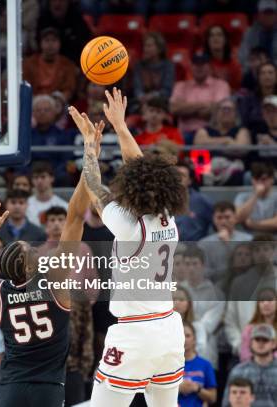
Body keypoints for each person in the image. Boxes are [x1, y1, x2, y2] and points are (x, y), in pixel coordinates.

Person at [0, 111, 98, 407]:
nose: (36, 247)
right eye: (31, 249)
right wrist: (90, 155)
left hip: (11, 387)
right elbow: (74, 218)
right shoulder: (55, 280)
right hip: (48, 389)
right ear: (32, 265)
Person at [73, 88, 188, 406]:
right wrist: (121, 127)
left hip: (135, 334)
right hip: (169, 330)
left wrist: (90, 149)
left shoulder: (128, 225)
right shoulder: (168, 218)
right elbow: (142, 171)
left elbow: (96, 191)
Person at [170, 53, 231, 142]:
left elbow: (217, 110)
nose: (199, 67)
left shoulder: (221, 85)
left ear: (209, 66)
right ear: (191, 66)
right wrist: (205, 105)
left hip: (212, 134)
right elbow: (174, 109)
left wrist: (185, 109)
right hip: (185, 134)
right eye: (196, 64)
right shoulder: (180, 85)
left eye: (203, 64)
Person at [222, 324, 277, 407]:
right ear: (251, 343)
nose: (260, 343)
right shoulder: (238, 371)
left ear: (273, 344)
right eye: (257, 339)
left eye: (265, 340)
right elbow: (227, 402)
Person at [198, 202, 253, 283]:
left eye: (227, 217)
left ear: (235, 218)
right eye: (219, 218)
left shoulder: (249, 240)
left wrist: (228, 243)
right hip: (215, 287)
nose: (223, 221)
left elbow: (252, 268)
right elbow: (203, 272)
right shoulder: (203, 244)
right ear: (213, 219)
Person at [23, 27, 77, 101]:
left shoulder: (67, 64)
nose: (50, 44)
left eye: (54, 40)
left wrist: (58, 100)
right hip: (34, 100)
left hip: (58, 101)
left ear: (60, 43)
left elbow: (69, 89)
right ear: (40, 43)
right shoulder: (29, 63)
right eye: (47, 40)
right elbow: (25, 86)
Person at [178, 322, 217, 407]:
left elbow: (213, 398)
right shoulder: (169, 365)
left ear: (194, 339)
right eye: (181, 335)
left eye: (188, 336)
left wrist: (197, 388)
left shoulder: (206, 365)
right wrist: (178, 388)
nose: (184, 339)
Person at [132, 32, 176, 106]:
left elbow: (167, 90)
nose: (145, 49)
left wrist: (152, 96)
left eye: (149, 46)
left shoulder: (168, 66)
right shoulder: (139, 66)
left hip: (161, 102)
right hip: (141, 102)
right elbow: (137, 88)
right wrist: (141, 96)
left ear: (159, 49)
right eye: (145, 46)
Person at [235, 162, 277, 234]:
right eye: (256, 179)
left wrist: (252, 224)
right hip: (249, 240)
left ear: (272, 179)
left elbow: (275, 223)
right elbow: (238, 218)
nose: (260, 182)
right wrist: (256, 195)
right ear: (252, 180)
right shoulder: (242, 197)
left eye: (263, 179)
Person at [239, 287, 277, 362]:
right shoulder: (249, 329)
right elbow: (244, 354)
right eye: (262, 301)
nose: (265, 304)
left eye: (270, 300)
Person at [238, 0, 277, 70]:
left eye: (271, 13)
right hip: (254, 70)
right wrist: (255, 66)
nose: (268, 16)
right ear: (259, 15)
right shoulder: (250, 32)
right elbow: (243, 57)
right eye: (265, 13)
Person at [27, 161, 68, 226]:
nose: (39, 181)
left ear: (52, 178)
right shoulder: (25, 205)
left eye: (43, 177)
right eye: (36, 177)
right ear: (32, 180)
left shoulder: (64, 206)